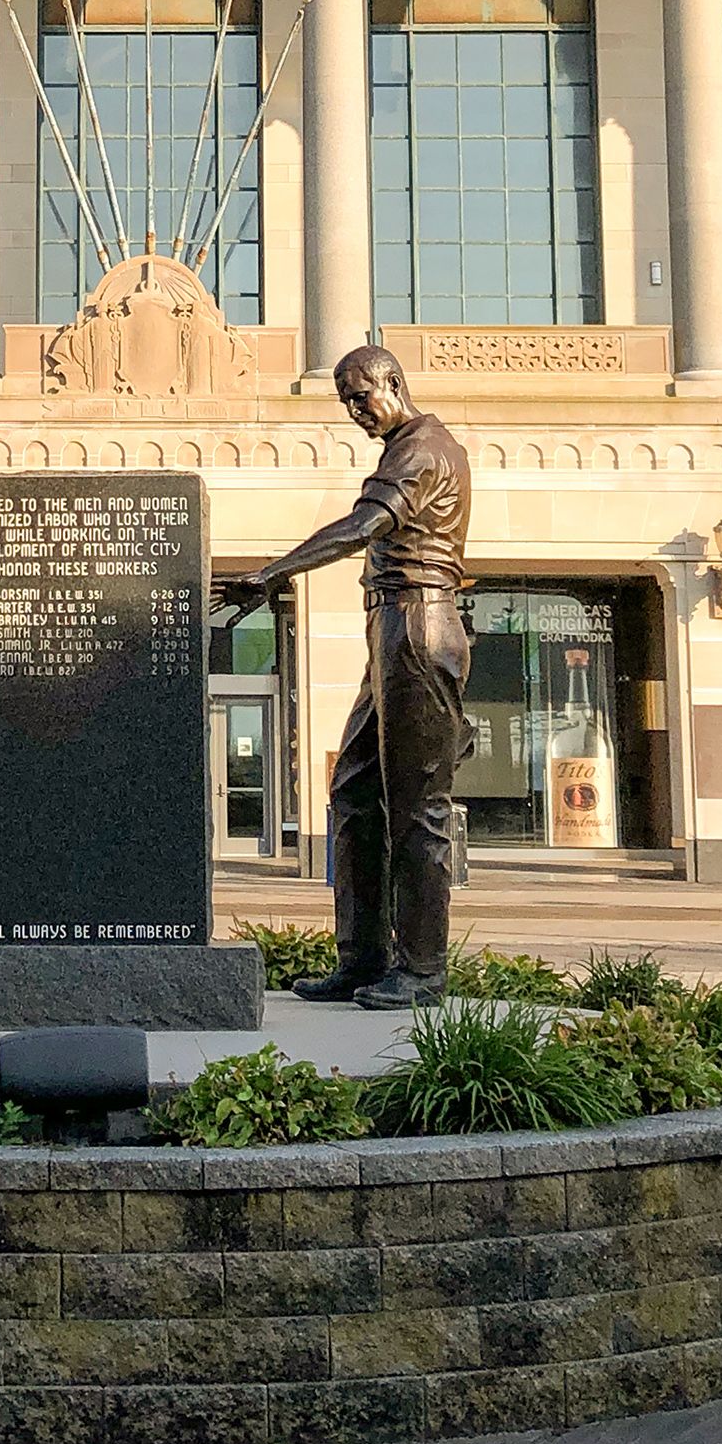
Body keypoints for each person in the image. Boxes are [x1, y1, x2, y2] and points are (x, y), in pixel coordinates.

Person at [212, 344, 472, 1009]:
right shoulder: (403, 448)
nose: (356, 411)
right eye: (346, 402)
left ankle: (421, 972)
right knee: (354, 793)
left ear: (394, 383)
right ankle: (362, 961)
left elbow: (364, 526)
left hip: (419, 625)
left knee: (418, 809)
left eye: (361, 396)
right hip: (392, 627)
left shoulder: (424, 448)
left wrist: (271, 573)